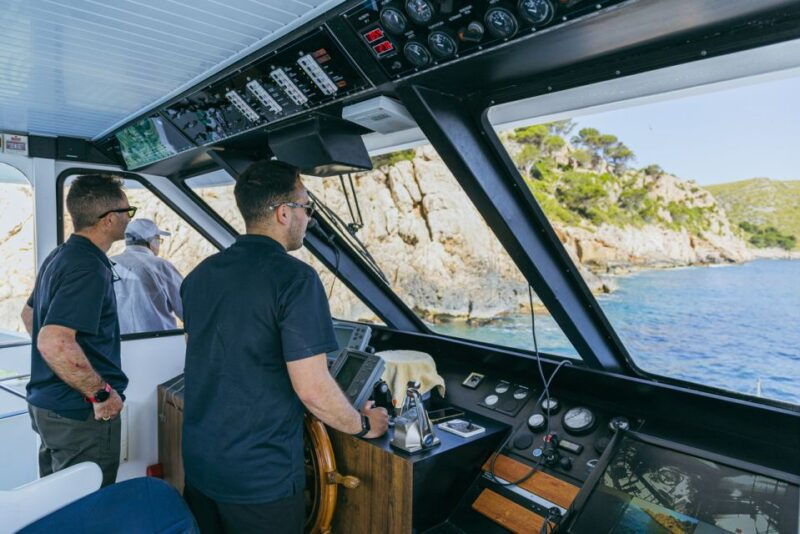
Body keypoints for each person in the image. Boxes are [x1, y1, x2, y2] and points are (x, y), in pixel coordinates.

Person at [180, 160, 389, 534]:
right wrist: (362, 425)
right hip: (259, 477)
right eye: (306, 207)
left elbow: (202, 353)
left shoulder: (199, 276)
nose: (308, 218)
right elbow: (313, 390)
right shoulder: (296, 279)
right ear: (283, 213)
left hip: (201, 462)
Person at [20, 174, 134, 487]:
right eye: (128, 211)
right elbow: (53, 342)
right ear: (109, 219)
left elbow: (29, 315)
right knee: (88, 501)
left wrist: (59, 366)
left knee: (59, 498)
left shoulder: (60, 255)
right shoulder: (88, 266)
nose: (129, 218)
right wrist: (101, 394)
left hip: (49, 407)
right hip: (79, 413)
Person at [110, 218, 184, 334]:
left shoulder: (109, 264)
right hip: (160, 341)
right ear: (151, 240)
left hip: (119, 342)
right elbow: (187, 308)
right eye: (158, 239)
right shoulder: (160, 266)